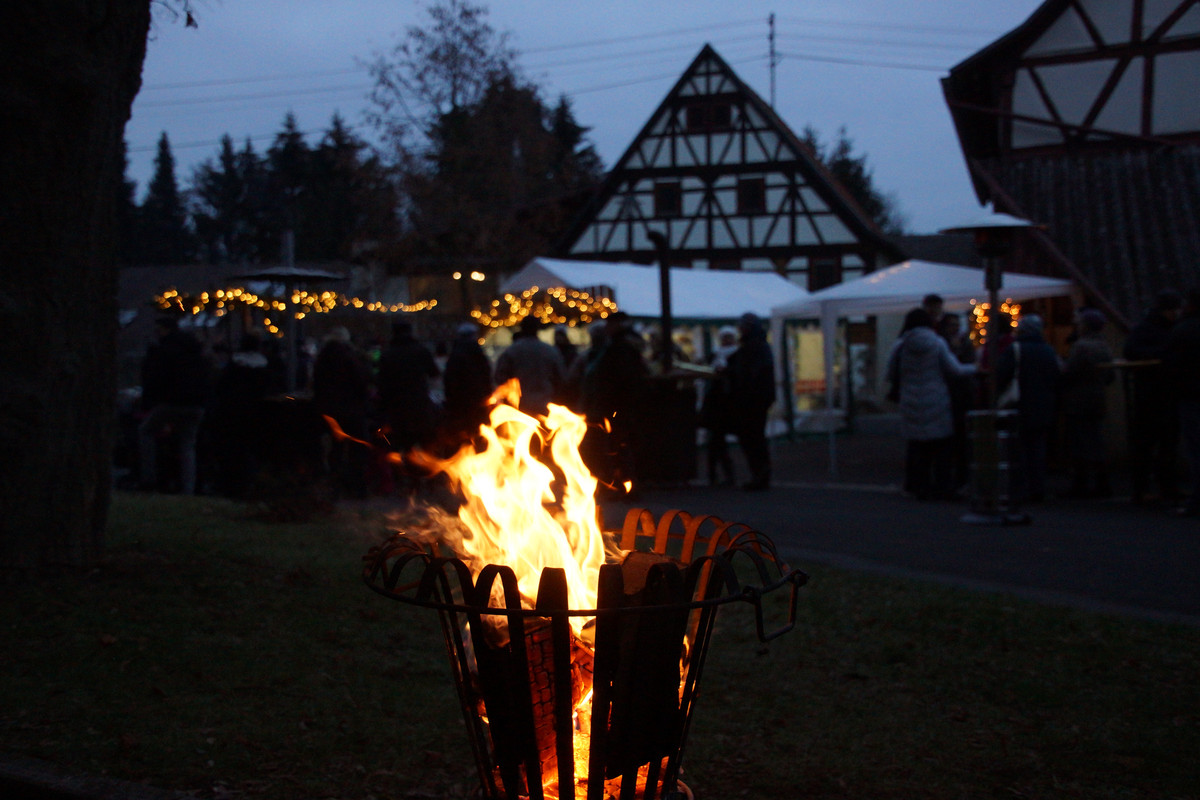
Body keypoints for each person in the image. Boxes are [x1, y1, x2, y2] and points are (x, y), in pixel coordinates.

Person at [886, 308, 976, 501]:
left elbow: (890, 373)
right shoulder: (937, 343)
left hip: (910, 400)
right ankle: (942, 486)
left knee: (918, 446)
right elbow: (956, 370)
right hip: (937, 399)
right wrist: (975, 368)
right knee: (942, 446)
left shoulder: (901, 345)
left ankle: (919, 485)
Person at [137, 316, 213, 494]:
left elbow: (156, 378)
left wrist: (149, 401)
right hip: (196, 403)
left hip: (172, 401)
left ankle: (148, 478)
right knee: (187, 444)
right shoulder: (194, 351)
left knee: (145, 431)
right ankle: (189, 487)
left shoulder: (164, 350)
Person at [1123, 289, 1184, 505]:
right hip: (1157, 394)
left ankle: (1151, 487)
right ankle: (1156, 487)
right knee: (1157, 444)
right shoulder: (1161, 330)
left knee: (1155, 444)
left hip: (1154, 394)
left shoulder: (1148, 329)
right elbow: (1131, 351)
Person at [579, 312, 648, 493]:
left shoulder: (620, 348)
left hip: (617, 406)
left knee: (619, 445)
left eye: (609, 325)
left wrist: (609, 401)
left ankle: (624, 486)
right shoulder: (620, 347)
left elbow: (619, 379)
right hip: (618, 404)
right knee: (619, 444)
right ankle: (623, 484)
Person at [996, 315, 1061, 503]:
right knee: (1037, 448)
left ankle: (1020, 487)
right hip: (1043, 405)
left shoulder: (1014, 349)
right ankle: (1037, 486)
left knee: (1018, 448)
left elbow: (1001, 375)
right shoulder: (1048, 351)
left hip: (1019, 404)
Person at [209, 332, 276, 498]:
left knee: (233, 452)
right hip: (256, 415)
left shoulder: (233, 367)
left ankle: (232, 484)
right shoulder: (265, 368)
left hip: (232, 415)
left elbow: (220, 389)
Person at [1061, 308, 1115, 498]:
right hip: (1097, 397)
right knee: (1097, 440)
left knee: (1080, 442)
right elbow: (1110, 376)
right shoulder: (1105, 346)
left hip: (1078, 399)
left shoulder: (1081, 346)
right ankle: (1102, 481)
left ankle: (1080, 483)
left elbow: (1069, 372)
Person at [312, 327, 372, 497]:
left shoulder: (322, 359)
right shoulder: (350, 357)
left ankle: (335, 486)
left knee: (335, 449)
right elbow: (361, 382)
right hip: (351, 410)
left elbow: (317, 384)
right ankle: (357, 487)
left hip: (329, 411)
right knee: (358, 447)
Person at [726, 313, 776, 491]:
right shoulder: (755, 346)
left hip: (753, 399)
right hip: (755, 398)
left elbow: (751, 374)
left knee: (752, 438)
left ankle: (760, 474)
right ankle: (759, 474)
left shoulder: (755, 347)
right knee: (753, 438)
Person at [1162, 287, 1200, 517]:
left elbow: (1172, 364)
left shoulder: (1183, 330)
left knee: (1195, 450)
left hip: (1190, 395)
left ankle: (1196, 500)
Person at [377, 320, 441, 454]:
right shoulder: (420, 350)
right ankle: (424, 469)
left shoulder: (388, 354)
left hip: (396, 405)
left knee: (402, 443)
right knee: (424, 441)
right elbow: (434, 372)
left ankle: (404, 469)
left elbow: (381, 381)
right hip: (419, 403)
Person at [494, 316, 565, 417]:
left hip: (518, 405)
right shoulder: (549, 351)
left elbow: (499, 377)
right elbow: (561, 377)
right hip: (545, 402)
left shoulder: (512, 351)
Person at [440, 323, 494, 449]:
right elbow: (486, 375)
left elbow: (449, 379)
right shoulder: (477, 353)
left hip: (458, 403)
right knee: (477, 431)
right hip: (477, 401)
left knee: (462, 434)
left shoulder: (454, 354)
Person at [699, 325, 739, 487]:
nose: (726, 340)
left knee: (717, 441)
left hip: (724, 403)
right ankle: (716, 475)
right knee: (715, 441)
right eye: (724, 337)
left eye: (729, 337)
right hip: (715, 403)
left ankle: (721, 475)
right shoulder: (715, 354)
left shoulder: (737, 355)